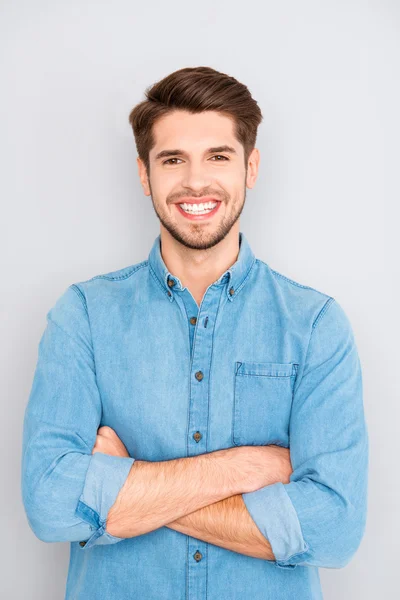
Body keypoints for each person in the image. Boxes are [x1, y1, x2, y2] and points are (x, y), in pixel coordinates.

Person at [21, 66, 369, 600]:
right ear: (145, 174)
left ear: (251, 167)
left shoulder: (315, 325)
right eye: (173, 159)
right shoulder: (84, 316)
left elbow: (334, 530)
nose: (195, 182)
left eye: (218, 157)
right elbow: (49, 504)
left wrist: (130, 486)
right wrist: (247, 466)